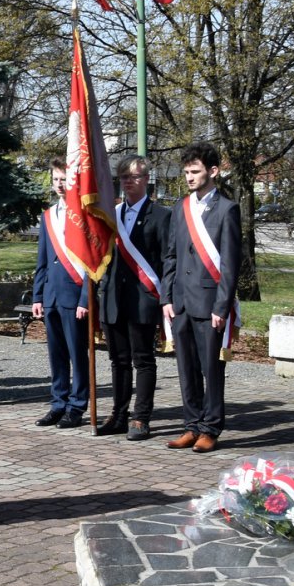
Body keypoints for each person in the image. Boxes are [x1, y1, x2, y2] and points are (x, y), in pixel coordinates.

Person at [161, 142, 241, 454]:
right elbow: (170, 256)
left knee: (211, 369)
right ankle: (191, 425)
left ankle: (211, 428)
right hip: (180, 302)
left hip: (210, 305)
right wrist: (166, 297)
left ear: (213, 171)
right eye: (186, 173)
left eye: (195, 172)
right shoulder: (181, 208)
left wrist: (222, 306)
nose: (190, 178)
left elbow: (230, 265)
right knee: (186, 369)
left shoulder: (227, 210)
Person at [99, 155, 171, 440]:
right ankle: (118, 414)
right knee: (118, 361)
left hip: (143, 298)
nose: (129, 182)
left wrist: (165, 298)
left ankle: (141, 418)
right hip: (114, 299)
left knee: (143, 360)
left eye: (135, 177)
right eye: (125, 178)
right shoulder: (111, 214)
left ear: (147, 180)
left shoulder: (161, 216)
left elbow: (167, 261)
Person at [33, 158, 92, 428]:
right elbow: (42, 260)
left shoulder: (84, 215)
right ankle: (58, 403)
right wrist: (37, 296)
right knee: (56, 354)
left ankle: (77, 406)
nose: (59, 184)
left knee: (77, 355)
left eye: (64, 179)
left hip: (74, 296)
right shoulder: (48, 216)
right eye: (55, 179)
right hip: (51, 296)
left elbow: (92, 262)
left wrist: (85, 299)